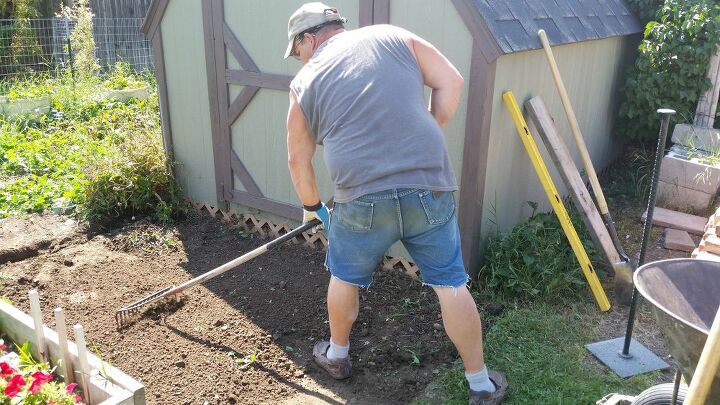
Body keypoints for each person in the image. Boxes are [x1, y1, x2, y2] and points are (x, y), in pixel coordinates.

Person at [284, 3, 508, 404]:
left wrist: (313, 207)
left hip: (360, 197)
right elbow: (451, 82)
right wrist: (427, 130)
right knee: (450, 283)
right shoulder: (391, 36)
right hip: (428, 184)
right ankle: (480, 384)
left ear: (309, 38)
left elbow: (297, 159)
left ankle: (337, 356)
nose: (299, 58)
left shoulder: (305, 80)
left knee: (345, 275)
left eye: (297, 49)